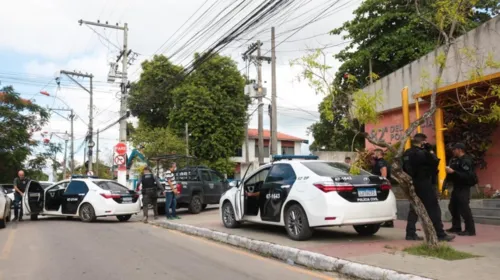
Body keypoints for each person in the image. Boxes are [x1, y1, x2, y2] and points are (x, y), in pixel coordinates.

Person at [403, 133, 455, 241]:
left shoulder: (407, 153)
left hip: (412, 183)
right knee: (434, 208)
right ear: (422, 142)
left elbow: (404, 168)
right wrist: (430, 150)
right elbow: (435, 162)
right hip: (424, 183)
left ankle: (410, 233)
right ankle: (440, 234)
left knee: (414, 208)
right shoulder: (423, 153)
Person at [445, 143, 477, 236]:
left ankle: (470, 230)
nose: (453, 151)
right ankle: (456, 227)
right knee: (453, 206)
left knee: (464, 208)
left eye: (454, 149)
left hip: (464, 186)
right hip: (457, 186)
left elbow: (467, 175)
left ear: (460, 150)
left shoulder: (466, 161)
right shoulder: (455, 160)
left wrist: (453, 172)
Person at [371, 149, 394, 228]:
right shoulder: (382, 161)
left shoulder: (380, 162)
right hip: (383, 184)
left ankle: (387, 221)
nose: (373, 155)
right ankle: (388, 221)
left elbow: (384, 172)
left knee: (382, 201)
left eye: (374, 154)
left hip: (381, 185)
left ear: (378, 153)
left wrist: (382, 182)